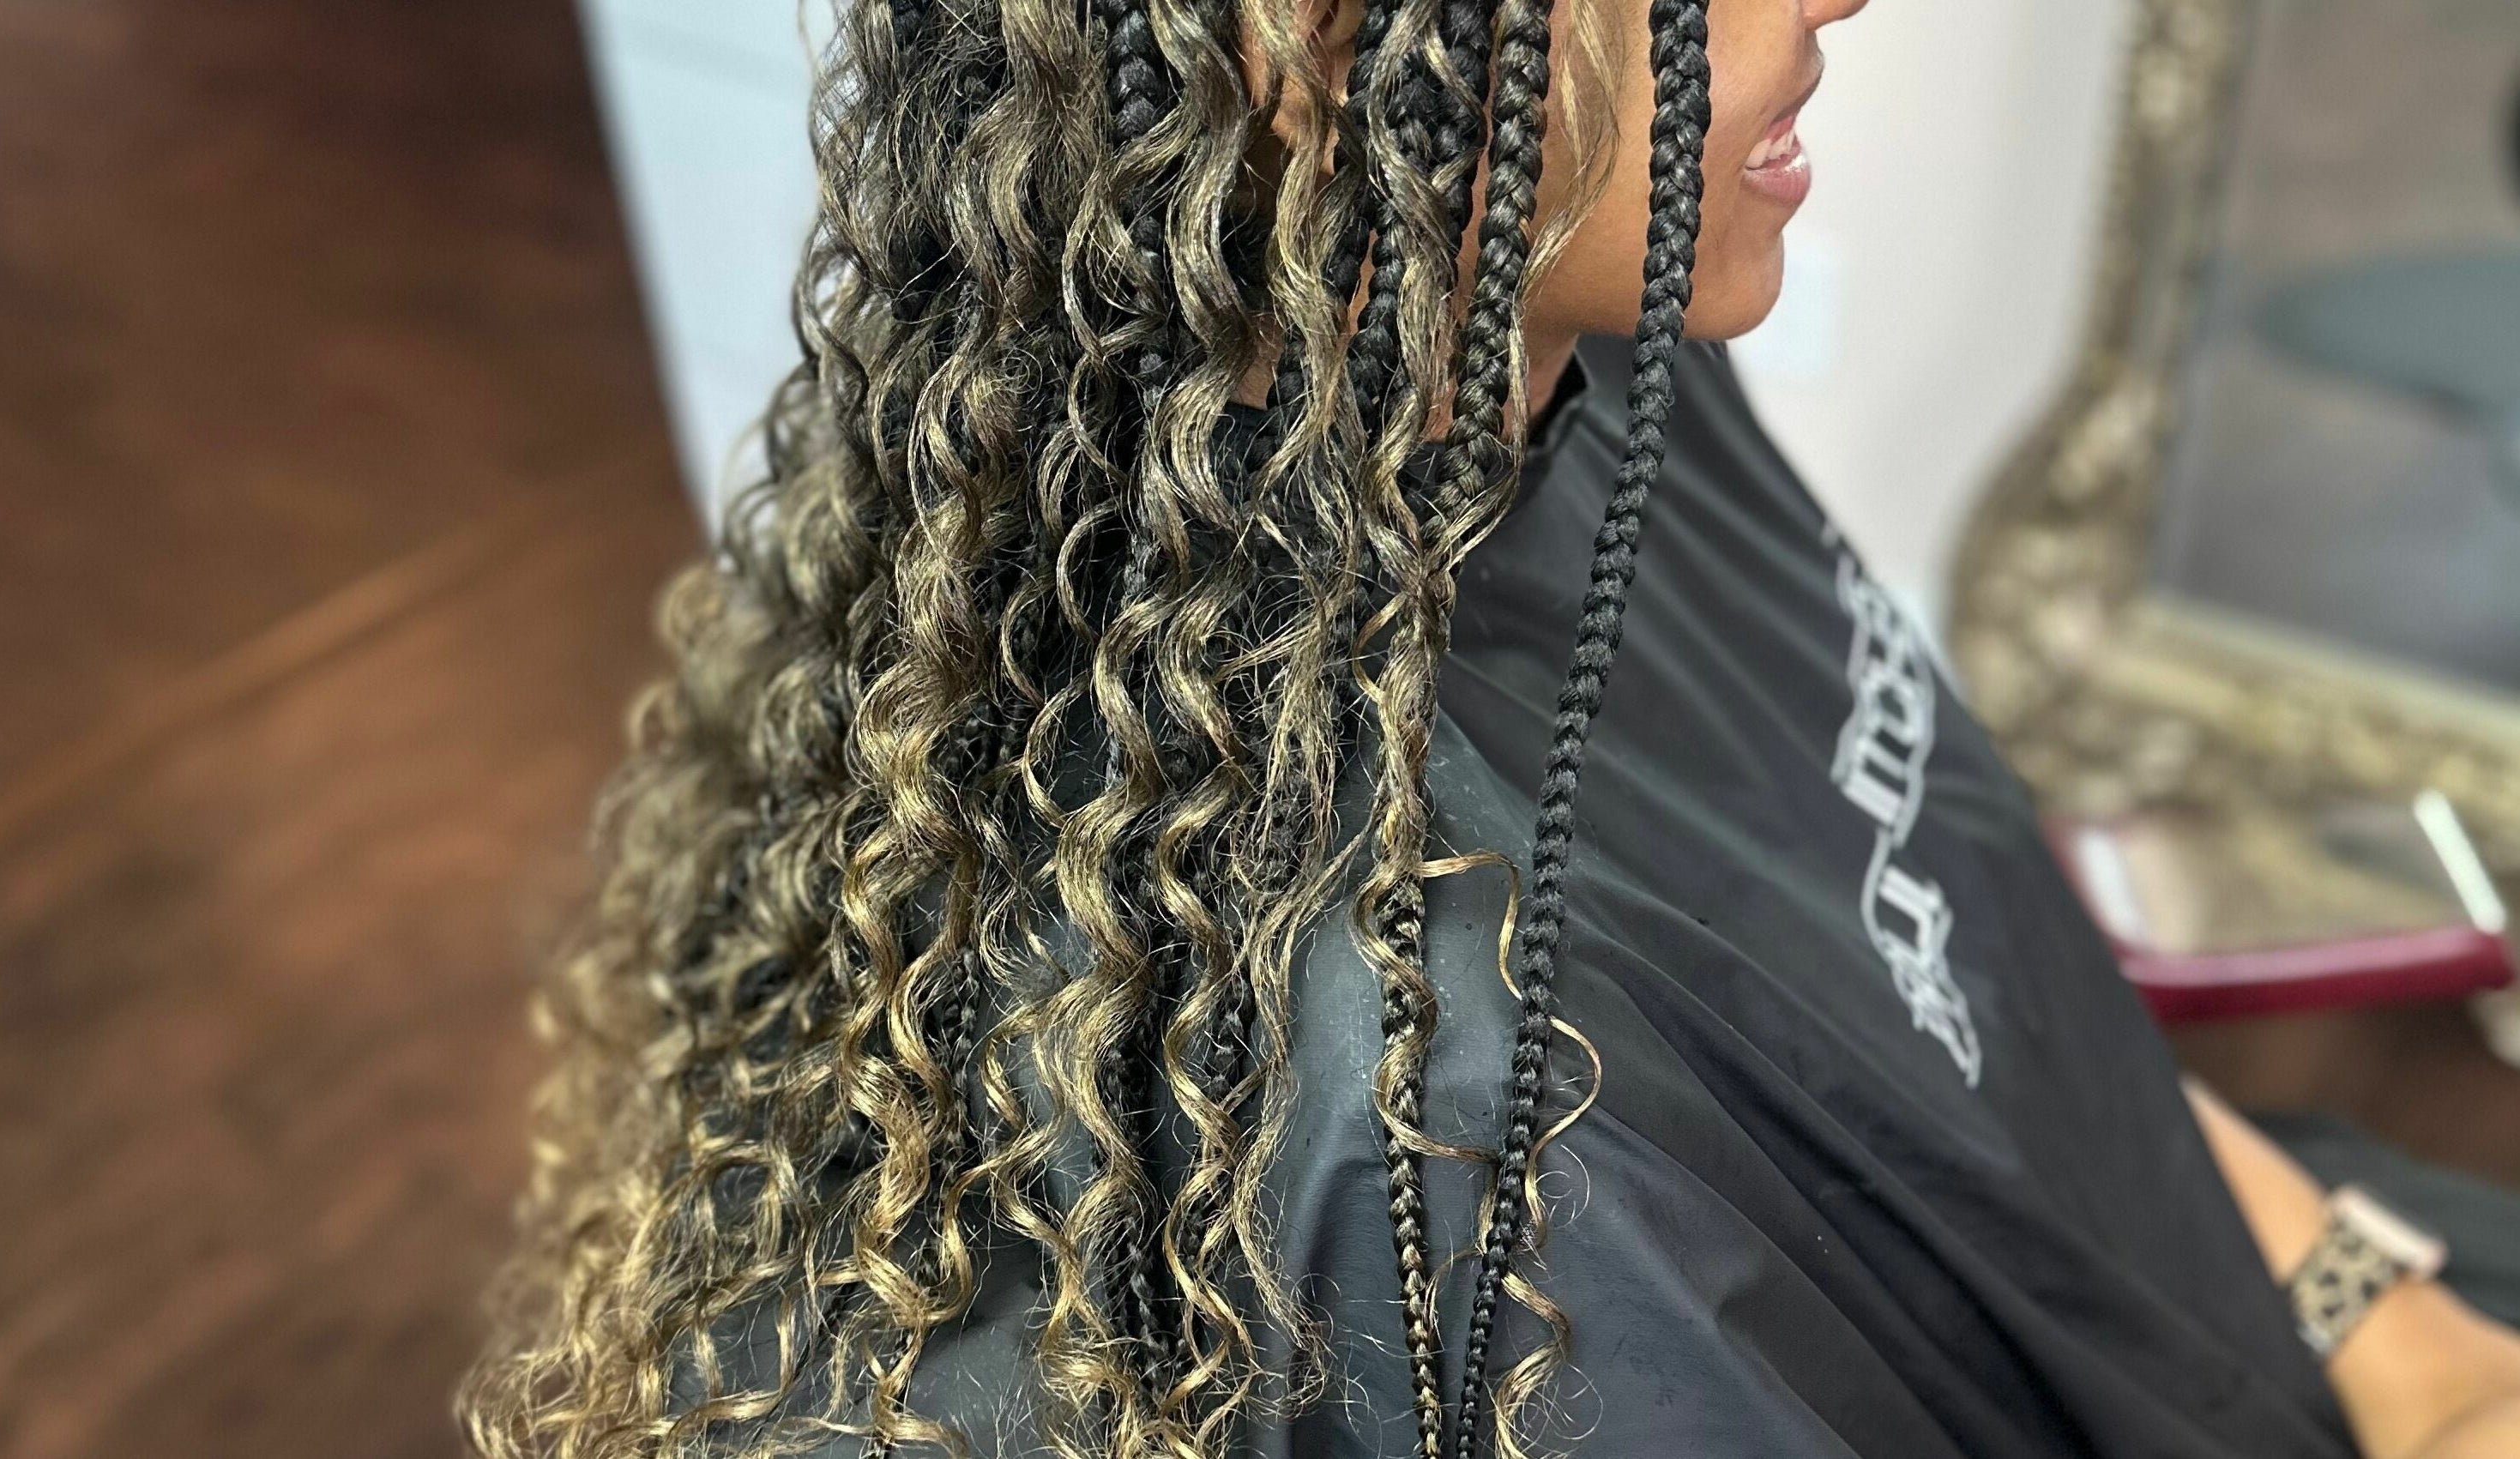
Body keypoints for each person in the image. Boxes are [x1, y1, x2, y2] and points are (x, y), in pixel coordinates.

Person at [459, 0, 2520, 1454]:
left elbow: (1960, 1000)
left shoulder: (1578, 367)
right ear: (1307, 42)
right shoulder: (1459, 1120)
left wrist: (2384, 1321)